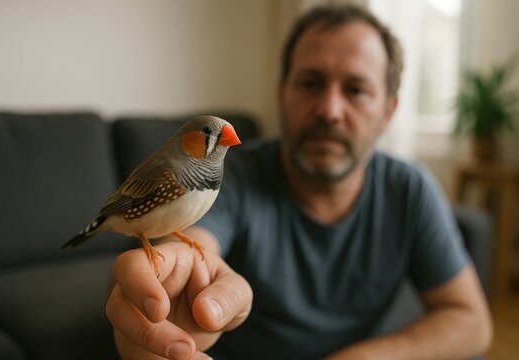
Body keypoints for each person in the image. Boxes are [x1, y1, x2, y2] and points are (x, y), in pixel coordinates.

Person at [106, 4, 492, 360]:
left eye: (355, 90)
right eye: (310, 83)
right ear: (281, 94)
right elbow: (191, 241)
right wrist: (175, 285)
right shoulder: (233, 176)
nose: (329, 110)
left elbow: (472, 322)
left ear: (389, 112)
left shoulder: (411, 189)